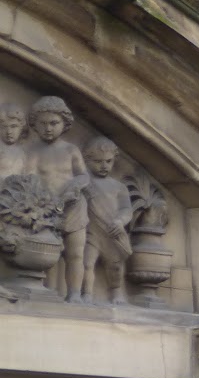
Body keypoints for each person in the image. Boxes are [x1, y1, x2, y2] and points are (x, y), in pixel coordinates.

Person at [26, 97, 89, 302]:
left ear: (65, 123)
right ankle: (47, 292)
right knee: (46, 252)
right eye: (43, 123)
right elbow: (28, 178)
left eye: (54, 123)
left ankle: (74, 294)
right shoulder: (33, 151)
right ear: (34, 124)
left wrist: (75, 185)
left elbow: (83, 175)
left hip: (74, 208)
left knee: (76, 254)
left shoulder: (71, 150)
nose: (48, 128)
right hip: (46, 209)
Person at [81, 137, 132, 305]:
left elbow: (126, 209)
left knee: (115, 266)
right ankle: (87, 294)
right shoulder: (85, 184)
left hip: (112, 233)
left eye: (108, 161)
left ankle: (116, 292)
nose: (104, 166)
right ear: (87, 160)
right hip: (91, 233)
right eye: (98, 161)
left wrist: (120, 221)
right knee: (87, 263)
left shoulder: (119, 187)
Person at [0, 104, 29, 180]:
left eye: (13, 126)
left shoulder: (24, 152)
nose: (9, 132)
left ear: (21, 127)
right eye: (4, 127)